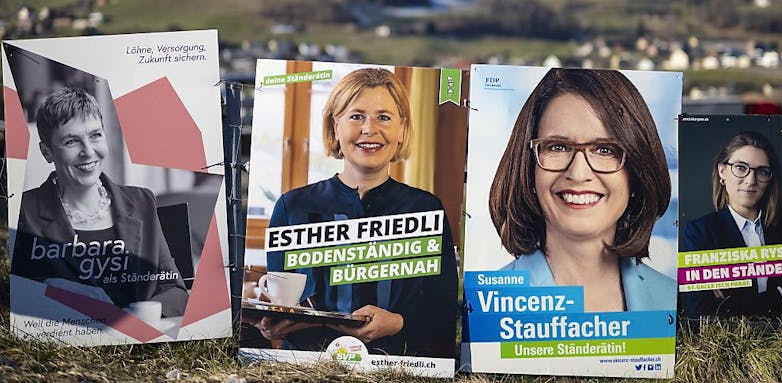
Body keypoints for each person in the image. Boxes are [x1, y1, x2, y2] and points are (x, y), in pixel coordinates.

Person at [256, 68, 458, 357]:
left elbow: (444, 313)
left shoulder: (426, 209)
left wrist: (399, 322)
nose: (369, 129)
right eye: (356, 116)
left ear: (401, 129)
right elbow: (279, 303)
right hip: (307, 365)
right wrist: (271, 323)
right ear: (335, 127)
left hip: (399, 367)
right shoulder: (292, 207)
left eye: (384, 117)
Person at [490, 68, 675, 312]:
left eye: (605, 150)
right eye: (557, 147)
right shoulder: (487, 305)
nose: (578, 174)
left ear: (637, 172)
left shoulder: (675, 302)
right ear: (528, 169)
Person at [11, 87, 188, 318]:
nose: (88, 151)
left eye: (96, 135)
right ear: (47, 152)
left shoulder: (142, 201)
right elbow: (12, 297)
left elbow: (175, 290)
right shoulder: (22, 211)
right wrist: (53, 290)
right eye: (71, 141)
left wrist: (142, 315)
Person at [682, 131, 782, 318]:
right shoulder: (700, 232)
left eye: (762, 172)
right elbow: (702, 310)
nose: (751, 180)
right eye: (740, 168)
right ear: (722, 171)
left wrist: (731, 303)